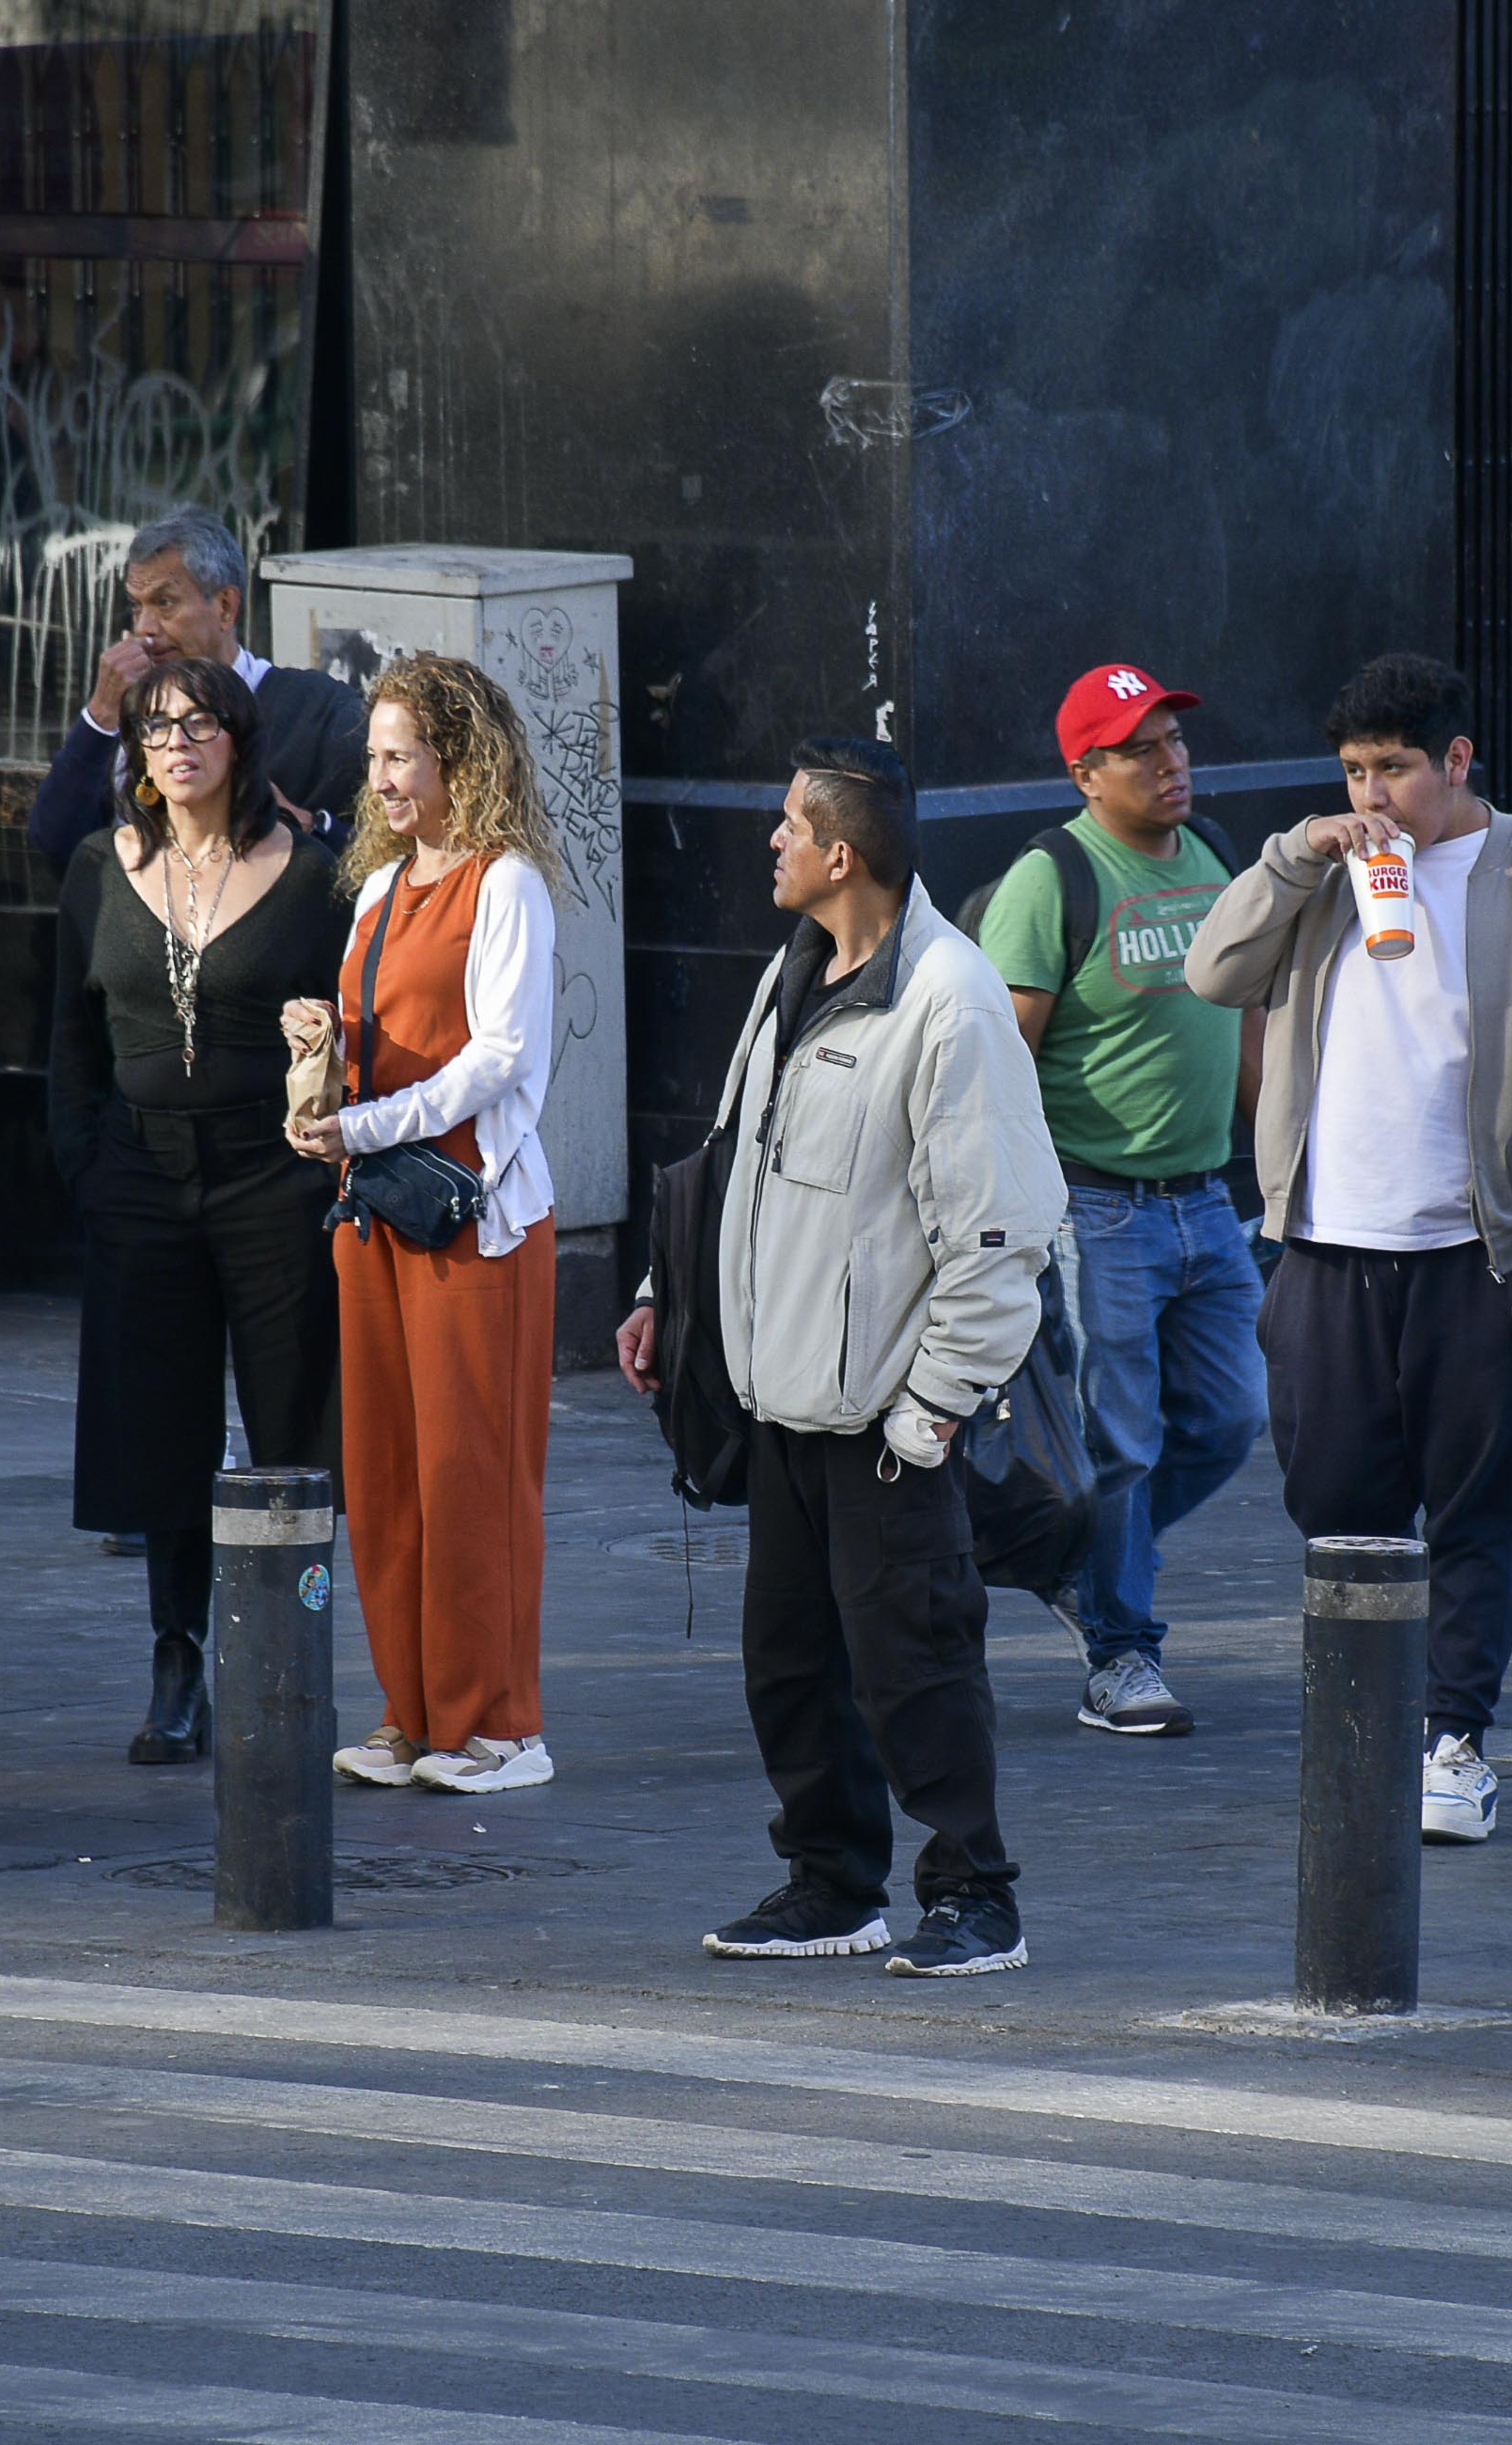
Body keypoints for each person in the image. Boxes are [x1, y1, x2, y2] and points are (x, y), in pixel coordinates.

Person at [616, 738, 1063, 1979]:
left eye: (786, 825)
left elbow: (998, 1231)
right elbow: (732, 1158)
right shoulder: (792, 969)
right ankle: (830, 1883)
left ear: (840, 853)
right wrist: (667, 1287)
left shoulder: (949, 999)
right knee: (791, 1664)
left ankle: (975, 1894)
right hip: (781, 1403)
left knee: (912, 1662)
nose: (769, 841)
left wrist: (929, 1412)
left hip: (883, 1419)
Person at [1183, 653, 1512, 1844]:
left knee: (1475, 1503)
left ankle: (1452, 1738)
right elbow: (1210, 971)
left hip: (1477, 1249)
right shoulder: (1323, 869)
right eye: (1352, 770)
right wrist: (1296, 853)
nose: (1374, 794)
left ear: (1457, 762)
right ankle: (1361, 1724)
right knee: (1332, 1497)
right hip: (1325, 1240)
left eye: (1394, 769)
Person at [46, 657, 344, 1764]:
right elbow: (67, 1041)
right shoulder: (97, 865)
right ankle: (177, 1665)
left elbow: (349, 1027)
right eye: (155, 727)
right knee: (157, 1435)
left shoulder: (311, 875)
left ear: (240, 740)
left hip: (269, 1176)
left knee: (289, 1429)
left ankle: (283, 1660)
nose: (176, 744)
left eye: (199, 723)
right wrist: (84, 1162)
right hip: (135, 1177)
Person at [283, 654, 563, 1797]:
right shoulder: (375, 892)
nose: (382, 780)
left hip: (472, 1216)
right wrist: (319, 1045)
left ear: (460, 758)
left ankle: (500, 1723)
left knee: (475, 1472)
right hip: (378, 1213)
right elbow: (379, 1042)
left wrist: (369, 1119)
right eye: (374, 760)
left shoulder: (508, 887)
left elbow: (502, 1061)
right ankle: (414, 1712)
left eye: (401, 756)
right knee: (390, 1470)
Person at [974, 664, 1264, 1738]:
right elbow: (1004, 1055)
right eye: (1139, 749)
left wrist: (1280, 1157)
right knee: (1123, 1442)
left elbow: (1241, 1024)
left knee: (1231, 1419)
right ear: (1084, 774)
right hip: (1095, 1211)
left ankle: (1075, 1558)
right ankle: (1120, 1654)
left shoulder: (1215, 856)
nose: (1169, 763)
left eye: (1174, 742)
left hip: (1205, 1202)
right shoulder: (1052, 876)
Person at [23, 505, 369, 865]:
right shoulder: (127, 715)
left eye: (165, 603)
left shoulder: (318, 712)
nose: (145, 629)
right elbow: (55, 842)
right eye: (137, 607)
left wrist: (305, 825)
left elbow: (388, 859)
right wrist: (101, 716)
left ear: (225, 607)